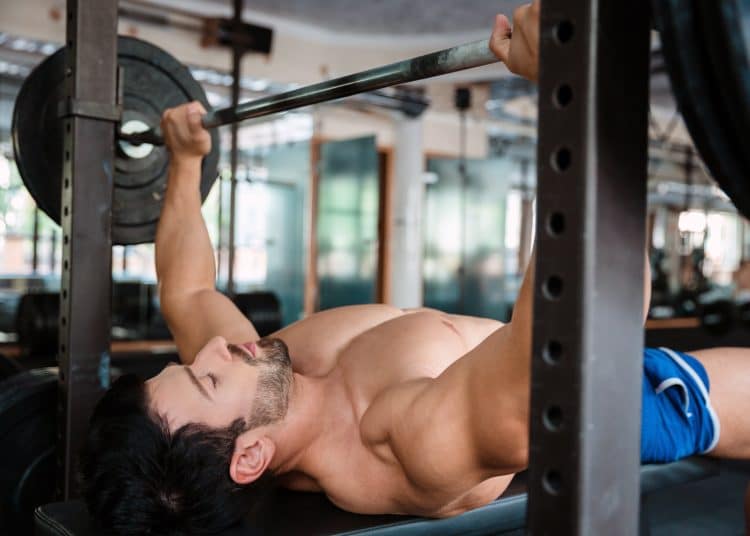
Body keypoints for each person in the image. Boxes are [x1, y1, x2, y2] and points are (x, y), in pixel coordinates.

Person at [80, 3, 750, 534]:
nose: (213, 349)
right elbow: (582, 343)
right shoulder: (405, 442)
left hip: (531, 354)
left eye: (188, 364)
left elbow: (188, 288)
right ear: (250, 455)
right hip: (599, 388)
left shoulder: (258, 381)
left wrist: (185, 160)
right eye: (203, 377)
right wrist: (576, 92)